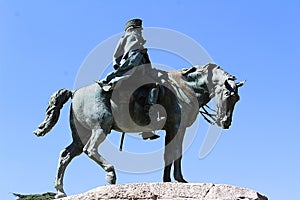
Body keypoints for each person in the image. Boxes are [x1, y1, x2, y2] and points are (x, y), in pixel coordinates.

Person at [97, 18, 160, 140]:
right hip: (131, 70)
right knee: (154, 86)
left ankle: (147, 125)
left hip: (137, 70)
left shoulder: (135, 43)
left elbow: (118, 56)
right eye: (139, 30)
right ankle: (148, 116)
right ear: (133, 29)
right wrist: (120, 66)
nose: (140, 32)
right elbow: (120, 56)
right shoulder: (129, 39)